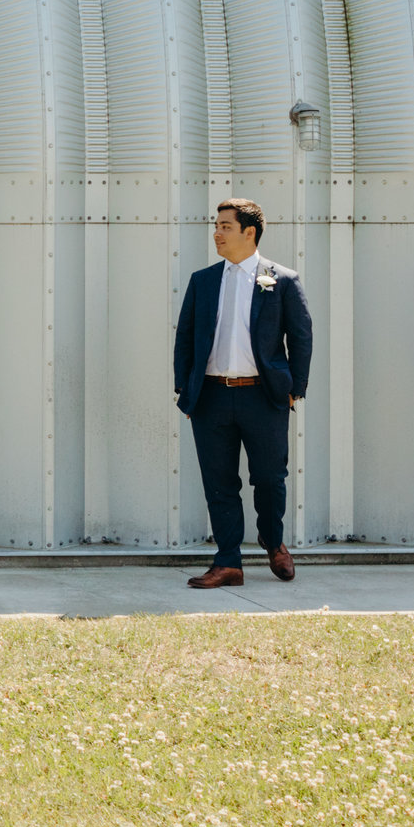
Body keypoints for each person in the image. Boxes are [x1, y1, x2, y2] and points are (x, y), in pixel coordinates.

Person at [173, 199, 312, 588]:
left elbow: (301, 338)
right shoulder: (203, 280)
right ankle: (228, 562)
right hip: (211, 398)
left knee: (269, 479)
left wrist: (293, 391)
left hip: (263, 397)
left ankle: (272, 540)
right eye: (215, 226)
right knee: (219, 482)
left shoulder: (282, 280)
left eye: (225, 226)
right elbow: (185, 338)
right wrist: (186, 391)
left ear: (249, 232)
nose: (216, 233)